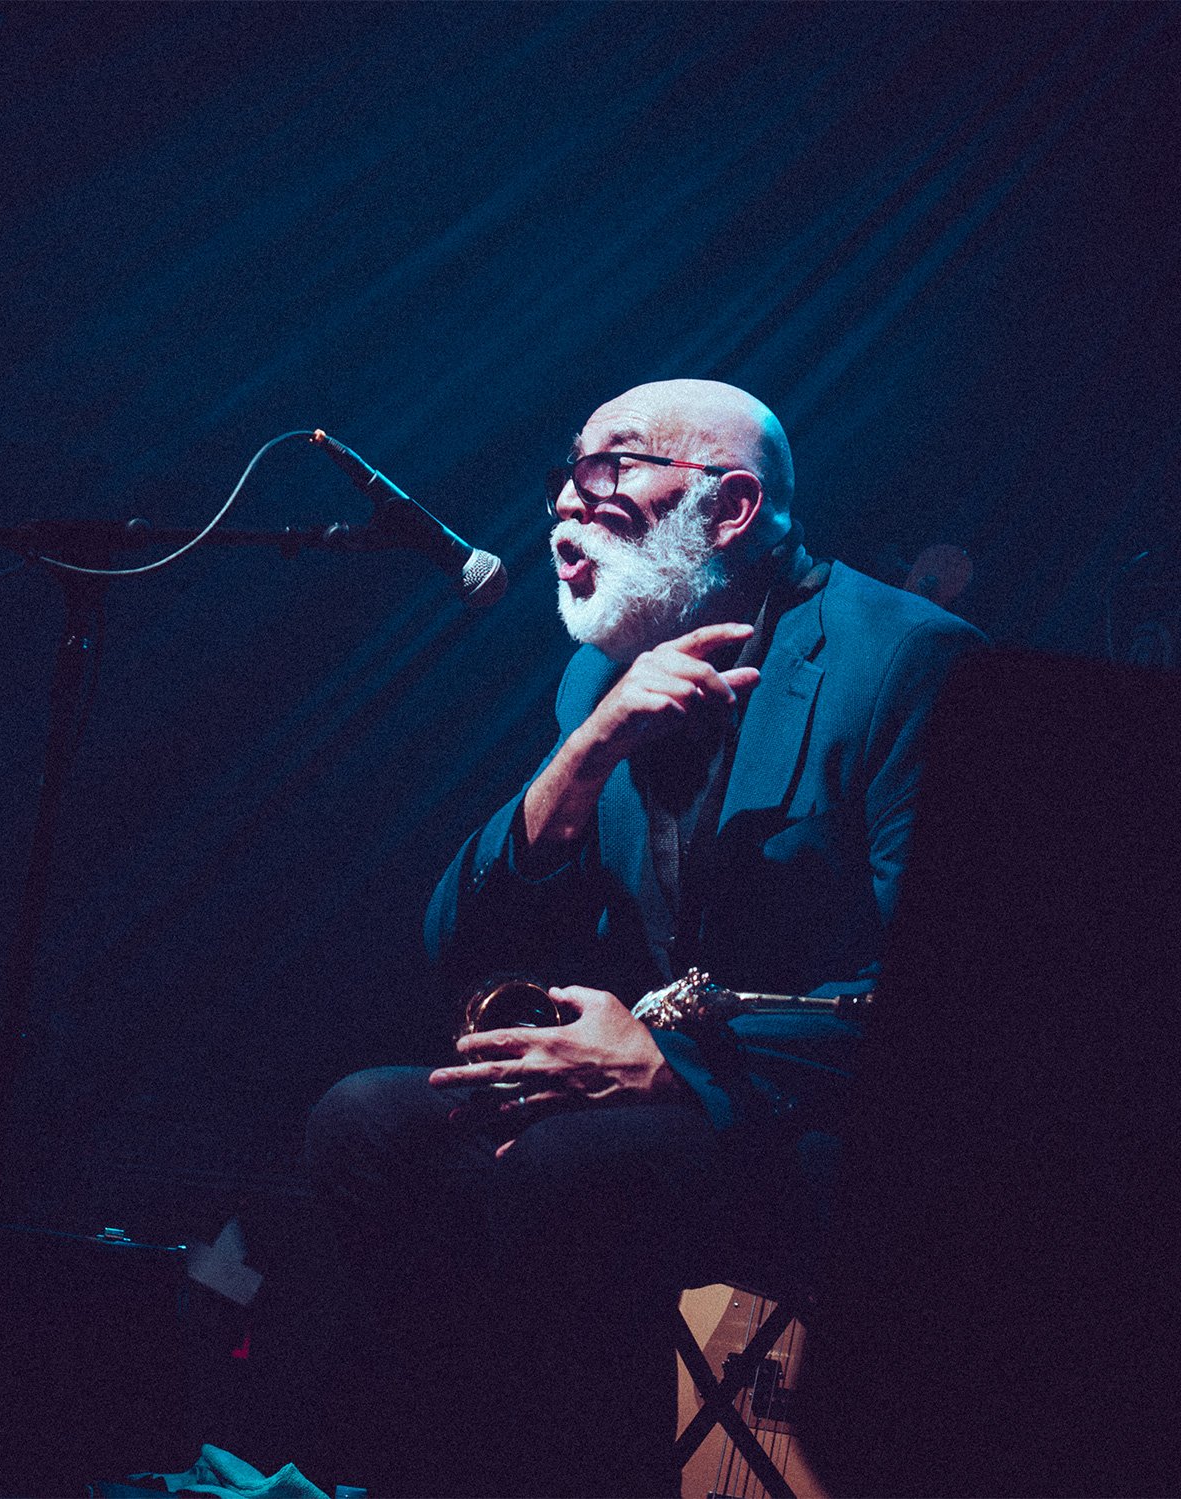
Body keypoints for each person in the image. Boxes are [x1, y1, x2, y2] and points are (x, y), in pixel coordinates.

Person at [302, 380, 982, 1496]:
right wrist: (583, 755)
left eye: (608, 468)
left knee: (570, 1169)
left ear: (732, 507)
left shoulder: (911, 661)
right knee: (368, 1121)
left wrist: (670, 1067)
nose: (565, 506)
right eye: (565, 478)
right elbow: (454, 945)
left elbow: (961, 1004)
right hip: (673, 1099)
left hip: (825, 1125)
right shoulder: (596, 679)